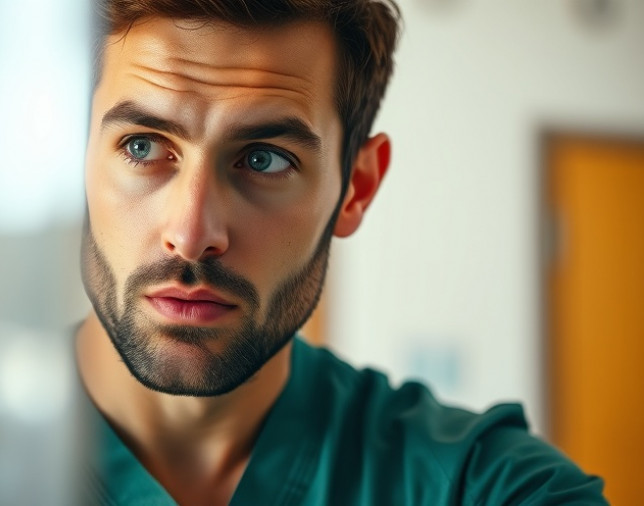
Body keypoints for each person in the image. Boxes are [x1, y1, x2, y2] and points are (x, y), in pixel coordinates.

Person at [73, 0, 607, 504]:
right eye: (142, 146)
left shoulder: (483, 485)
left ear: (356, 188)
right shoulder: (13, 449)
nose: (191, 235)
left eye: (263, 159)